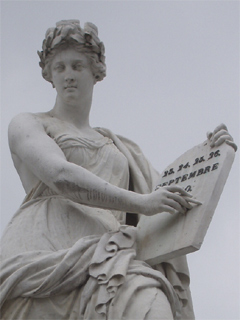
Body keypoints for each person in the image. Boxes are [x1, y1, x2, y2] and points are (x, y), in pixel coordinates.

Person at [0, 20, 236, 320]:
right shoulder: (29, 123)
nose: (68, 76)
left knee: (154, 305)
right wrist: (142, 203)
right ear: (48, 74)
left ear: (96, 71)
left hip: (112, 253)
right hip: (42, 252)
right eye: (59, 67)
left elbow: (171, 193)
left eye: (77, 66)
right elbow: (60, 175)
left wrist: (210, 154)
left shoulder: (120, 147)